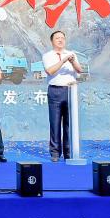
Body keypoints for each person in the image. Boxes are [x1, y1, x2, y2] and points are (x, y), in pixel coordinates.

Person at [42, 30, 83, 162]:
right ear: (52, 41)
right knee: (55, 123)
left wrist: (72, 62)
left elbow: (79, 70)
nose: (60, 40)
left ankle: (68, 152)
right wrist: (63, 61)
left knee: (69, 123)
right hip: (55, 91)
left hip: (70, 91)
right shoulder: (48, 55)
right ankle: (55, 152)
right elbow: (50, 71)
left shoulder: (71, 54)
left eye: (62, 38)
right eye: (57, 38)